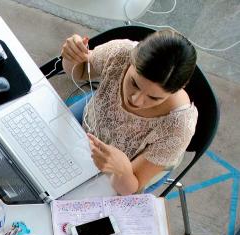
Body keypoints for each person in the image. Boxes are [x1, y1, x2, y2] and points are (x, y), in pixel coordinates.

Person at [61, 29, 198, 195]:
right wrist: (71, 56)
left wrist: (122, 170)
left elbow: (130, 189)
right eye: (134, 83)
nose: (136, 100)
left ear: (177, 90)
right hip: (88, 120)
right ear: (131, 60)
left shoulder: (178, 127)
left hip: (126, 173)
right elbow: (80, 71)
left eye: (154, 98)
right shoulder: (119, 54)